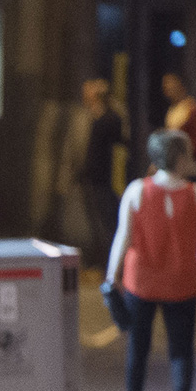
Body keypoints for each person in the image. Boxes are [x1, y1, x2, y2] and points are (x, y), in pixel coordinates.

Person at [105, 129, 196, 391]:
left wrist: (111, 278)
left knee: (138, 350)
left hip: (141, 282)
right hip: (183, 283)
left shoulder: (136, 191)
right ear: (180, 158)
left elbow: (122, 239)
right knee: (181, 349)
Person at [80, 78, 126, 267]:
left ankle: (109, 261)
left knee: (107, 221)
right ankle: (101, 259)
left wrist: (108, 101)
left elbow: (119, 132)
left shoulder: (109, 118)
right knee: (96, 221)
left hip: (103, 177)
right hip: (89, 175)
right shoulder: (89, 117)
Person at [162, 73, 196, 183]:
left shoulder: (193, 111)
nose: (167, 88)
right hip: (174, 171)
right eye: (165, 85)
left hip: (190, 171)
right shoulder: (173, 110)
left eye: (171, 84)